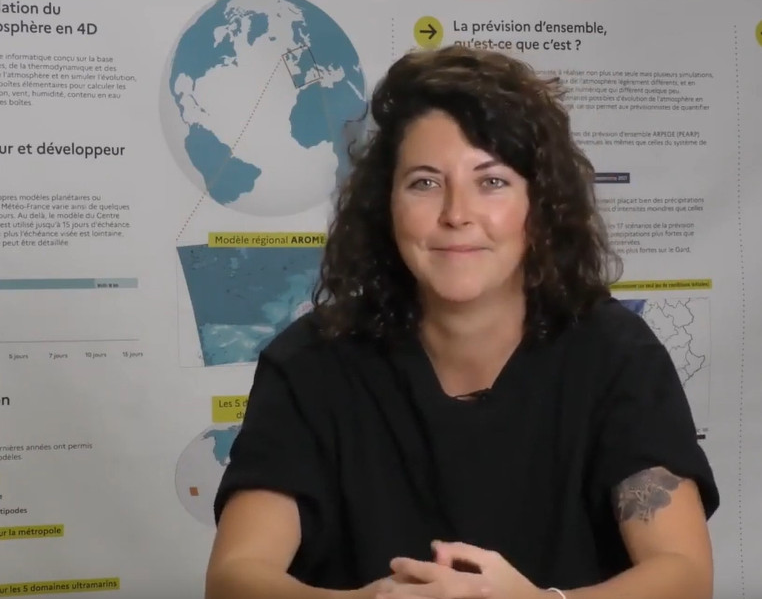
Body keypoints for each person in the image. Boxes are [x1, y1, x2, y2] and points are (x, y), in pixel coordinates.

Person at [205, 44, 719, 599]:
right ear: (386, 205)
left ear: (540, 204)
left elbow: (684, 575)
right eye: (425, 182)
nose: (456, 214)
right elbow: (235, 576)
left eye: (491, 181)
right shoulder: (310, 362)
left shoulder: (614, 354)